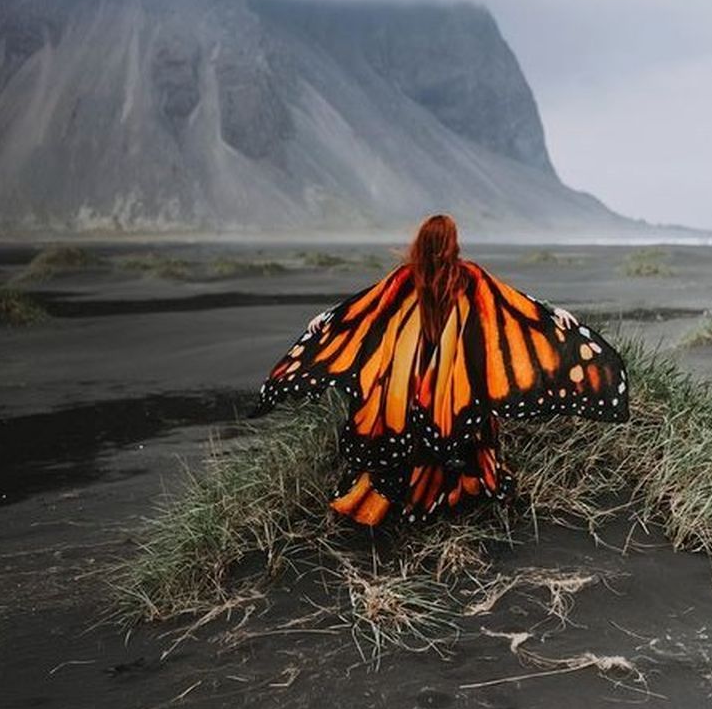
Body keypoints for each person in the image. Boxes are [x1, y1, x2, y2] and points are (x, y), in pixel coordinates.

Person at [260, 214, 630, 526]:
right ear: (452, 245)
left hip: (407, 382)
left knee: (405, 427)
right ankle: (459, 489)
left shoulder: (406, 278)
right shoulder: (466, 277)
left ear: (420, 244)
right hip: (456, 384)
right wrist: (551, 316)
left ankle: (399, 499)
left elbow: (363, 307)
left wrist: (327, 319)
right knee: (468, 413)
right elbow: (511, 303)